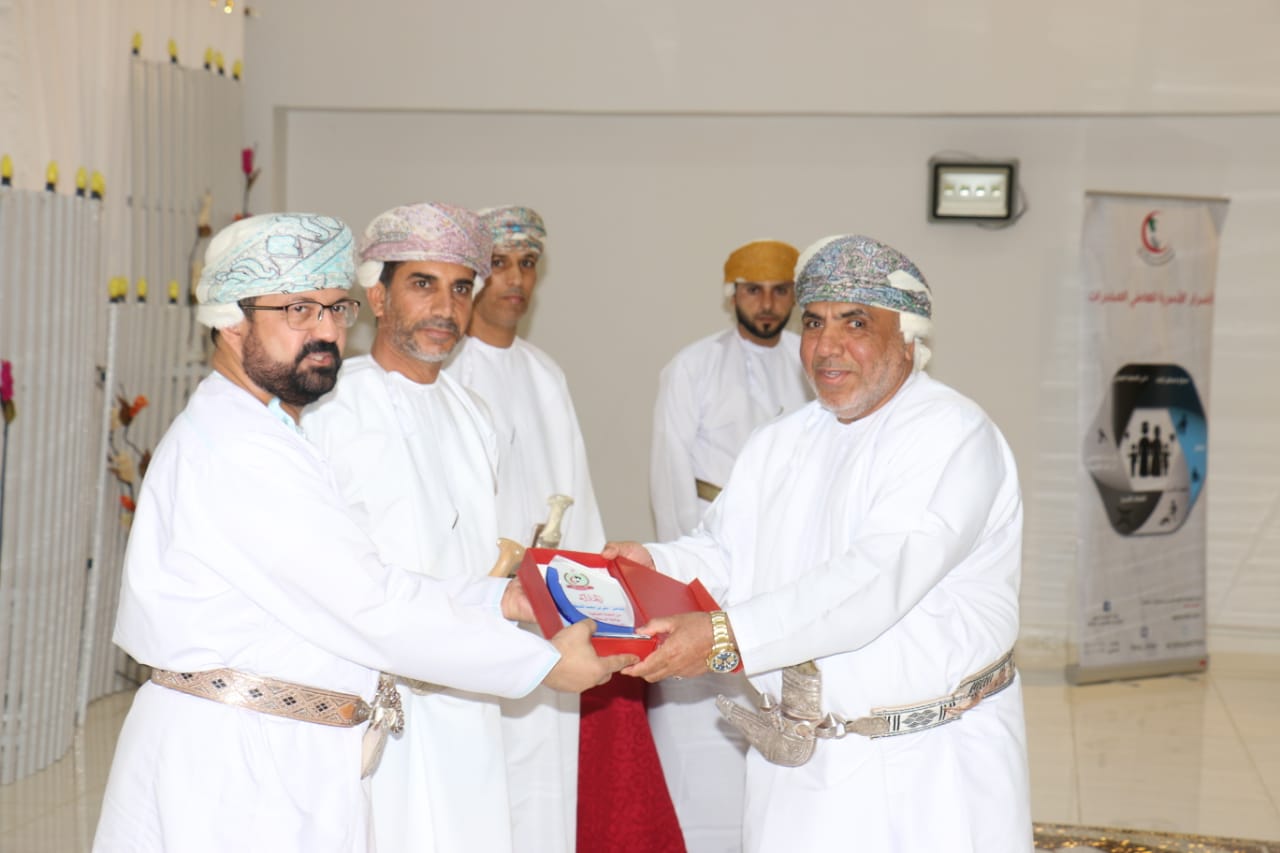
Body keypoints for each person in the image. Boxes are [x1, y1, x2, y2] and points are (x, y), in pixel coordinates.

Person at [93, 213, 631, 853]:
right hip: (234, 768)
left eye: (335, 308)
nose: (326, 331)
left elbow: (363, 583)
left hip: (281, 753)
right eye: (299, 310)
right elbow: (368, 605)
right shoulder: (238, 449)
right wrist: (541, 664)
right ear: (231, 321)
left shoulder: (267, 432)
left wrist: (499, 599)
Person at [609, 234, 1032, 852]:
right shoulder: (782, 440)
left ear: (908, 337)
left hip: (927, 768)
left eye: (854, 323)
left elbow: (873, 582)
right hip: (798, 766)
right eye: (813, 322)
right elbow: (725, 552)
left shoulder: (950, 433)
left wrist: (725, 638)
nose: (827, 345)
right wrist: (651, 564)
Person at [301, 203, 590, 853]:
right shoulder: (329, 410)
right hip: (367, 701)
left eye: (461, 288)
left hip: (465, 699)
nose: (446, 307)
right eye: (422, 284)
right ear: (377, 296)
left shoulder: (471, 413)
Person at [443, 206, 603, 852]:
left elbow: (579, 499)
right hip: (475, 613)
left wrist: (592, 603)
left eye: (528, 264)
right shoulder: (445, 372)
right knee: (474, 786)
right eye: (499, 264)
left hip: (550, 616)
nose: (515, 279)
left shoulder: (545, 374)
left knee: (544, 787)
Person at [647, 238, 810, 852]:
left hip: (791, 554)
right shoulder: (692, 366)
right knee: (702, 720)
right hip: (712, 546)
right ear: (732, 294)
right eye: (753, 290)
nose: (766, 304)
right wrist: (684, 580)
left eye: (779, 291)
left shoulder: (811, 360)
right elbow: (669, 474)